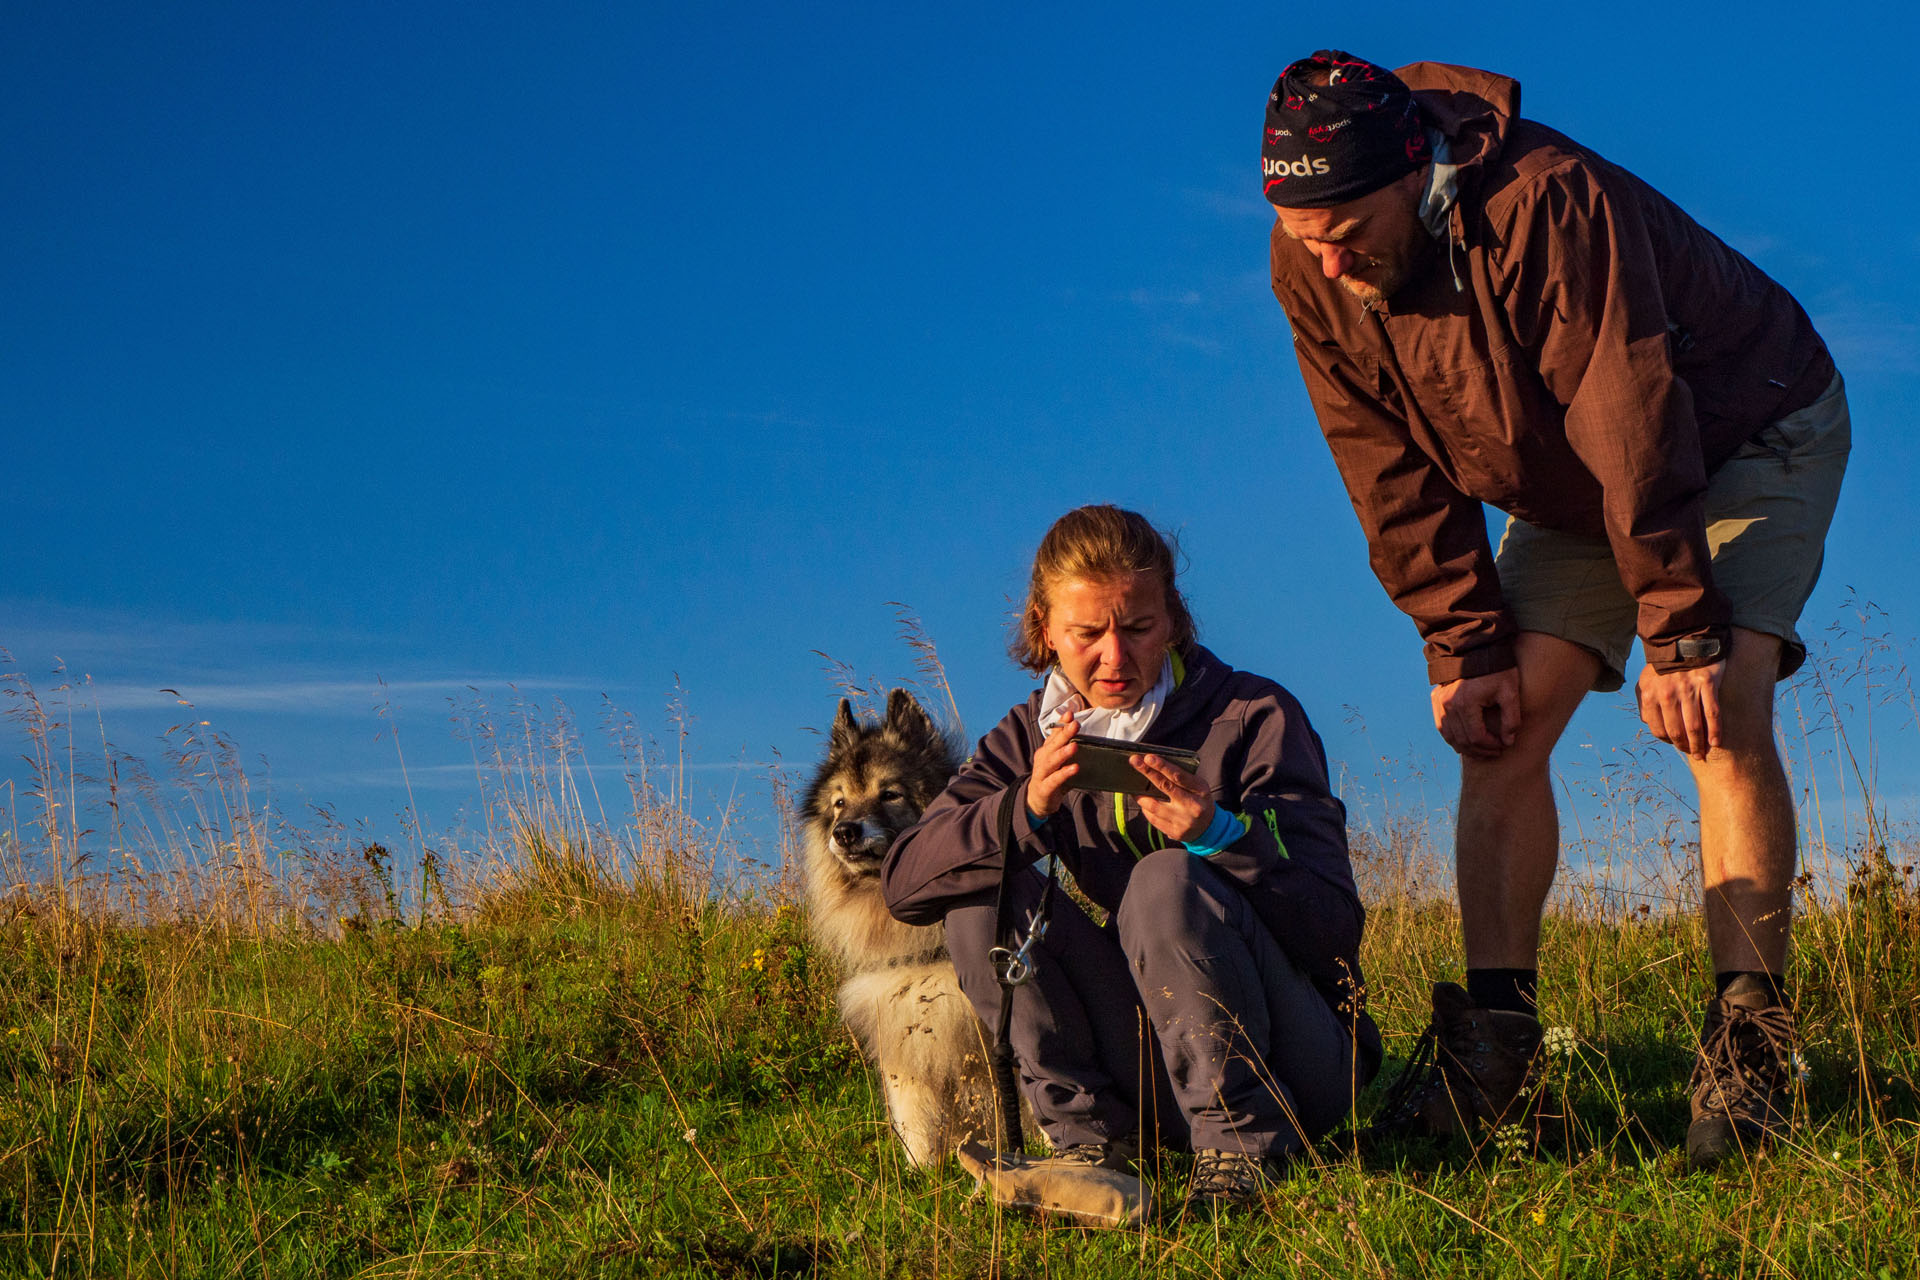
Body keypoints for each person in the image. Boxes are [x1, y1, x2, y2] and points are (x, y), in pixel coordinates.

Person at [1259, 50, 1847, 1167]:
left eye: (1348, 225)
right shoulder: (1313, 266)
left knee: (1718, 701)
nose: (1329, 258)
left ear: (1416, 173)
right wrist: (1461, 640)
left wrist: (1679, 625)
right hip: (1577, 483)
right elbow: (1381, 462)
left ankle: (1749, 1055)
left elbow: (1630, 405)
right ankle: (1495, 1058)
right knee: (1502, 722)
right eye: (1301, 232)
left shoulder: (1543, 201)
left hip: (1745, 426)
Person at [883, 504, 1381, 1211]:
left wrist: (1221, 838)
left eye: (1139, 627)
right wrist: (1021, 812)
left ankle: (1243, 1152)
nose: (1114, 658)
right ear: (1044, 629)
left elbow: (1333, 932)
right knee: (980, 892)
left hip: (1301, 1064)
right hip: (1155, 1057)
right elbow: (904, 881)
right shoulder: (1031, 735)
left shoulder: (1253, 716)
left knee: (1166, 880)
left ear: (1173, 619)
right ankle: (1090, 1148)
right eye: (1087, 633)